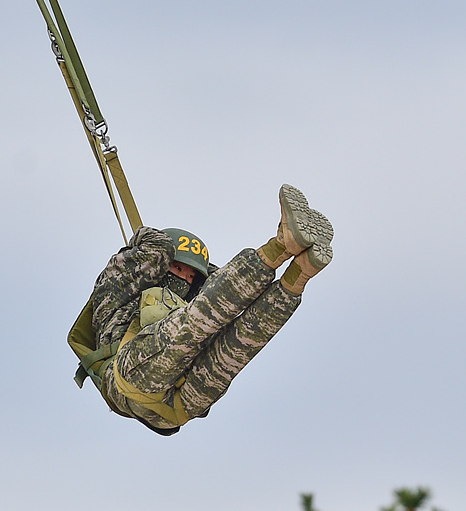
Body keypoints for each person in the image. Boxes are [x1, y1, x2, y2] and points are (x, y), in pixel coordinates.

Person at [73, 184, 334, 435]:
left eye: (190, 277)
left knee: (238, 344)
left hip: (175, 409)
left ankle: (299, 274)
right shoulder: (119, 289)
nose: (184, 279)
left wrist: (208, 278)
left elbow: (217, 292)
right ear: (160, 268)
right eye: (177, 269)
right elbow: (160, 250)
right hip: (130, 374)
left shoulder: (186, 305)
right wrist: (142, 237)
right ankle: (281, 243)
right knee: (199, 319)